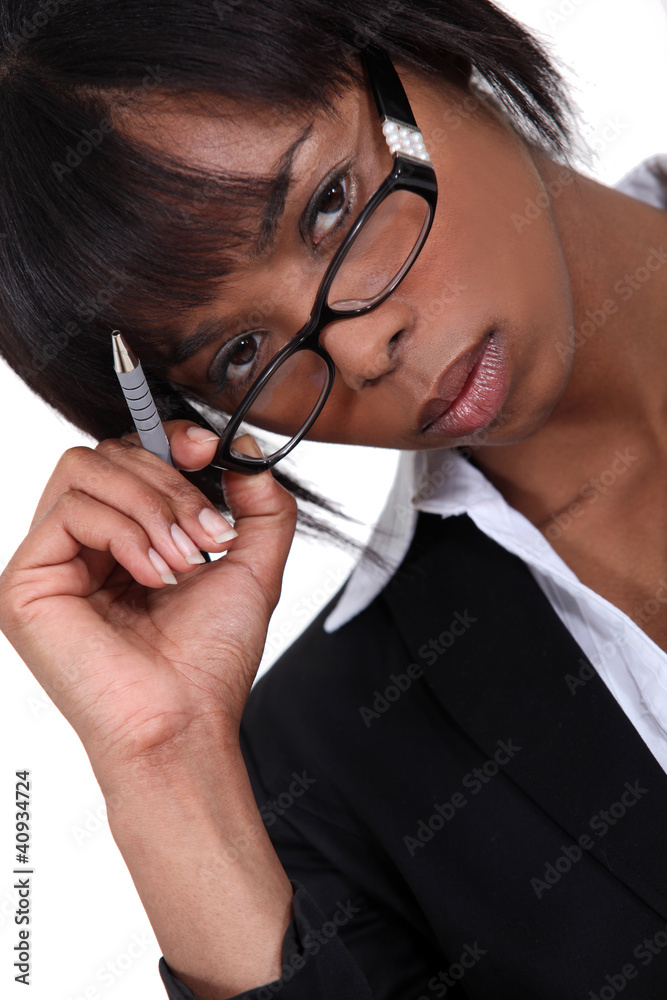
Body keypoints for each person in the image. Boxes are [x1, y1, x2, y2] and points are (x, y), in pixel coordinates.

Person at [1, 1, 666, 997]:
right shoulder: (319, 769)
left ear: (419, 38)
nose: (359, 349)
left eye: (325, 207)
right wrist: (166, 766)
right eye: (237, 353)